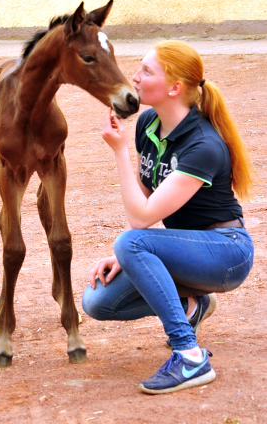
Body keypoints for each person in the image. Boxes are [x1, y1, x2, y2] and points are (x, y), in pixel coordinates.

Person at [82, 40, 254, 394]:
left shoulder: (203, 145)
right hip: (184, 252)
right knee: (98, 302)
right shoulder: (149, 123)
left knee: (132, 240)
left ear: (174, 87)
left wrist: (119, 152)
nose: (135, 77)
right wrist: (124, 255)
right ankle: (194, 303)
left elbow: (142, 220)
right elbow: (146, 199)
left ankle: (189, 356)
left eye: (147, 71)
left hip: (226, 253)